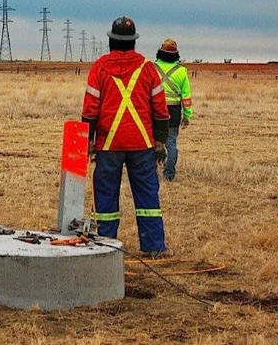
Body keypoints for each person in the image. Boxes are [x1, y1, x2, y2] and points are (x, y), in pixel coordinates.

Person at [81, 17, 170, 257]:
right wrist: (160, 141)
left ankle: (106, 245)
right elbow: (161, 109)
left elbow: (90, 109)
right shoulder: (148, 68)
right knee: (147, 195)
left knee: (106, 195)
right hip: (142, 144)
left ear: (111, 41)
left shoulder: (99, 67)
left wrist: (87, 141)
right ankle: (154, 247)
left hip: (108, 144)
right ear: (133, 43)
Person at [155, 38, 194, 181]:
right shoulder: (182, 71)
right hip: (174, 112)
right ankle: (169, 174)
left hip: (155, 111)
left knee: (153, 141)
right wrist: (187, 116)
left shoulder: (152, 68)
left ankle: (151, 172)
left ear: (160, 52)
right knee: (171, 142)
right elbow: (186, 97)